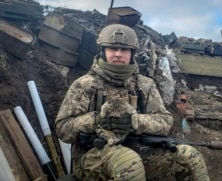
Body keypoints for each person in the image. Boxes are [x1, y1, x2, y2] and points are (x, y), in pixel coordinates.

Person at [55, 23, 210, 181]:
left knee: (189, 157)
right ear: (103, 51)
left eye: (124, 50)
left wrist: (134, 121)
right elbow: (63, 128)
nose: (118, 54)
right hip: (93, 156)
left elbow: (165, 121)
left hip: (140, 151)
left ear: (132, 53)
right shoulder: (85, 85)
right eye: (112, 48)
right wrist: (96, 121)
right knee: (128, 162)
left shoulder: (144, 85)